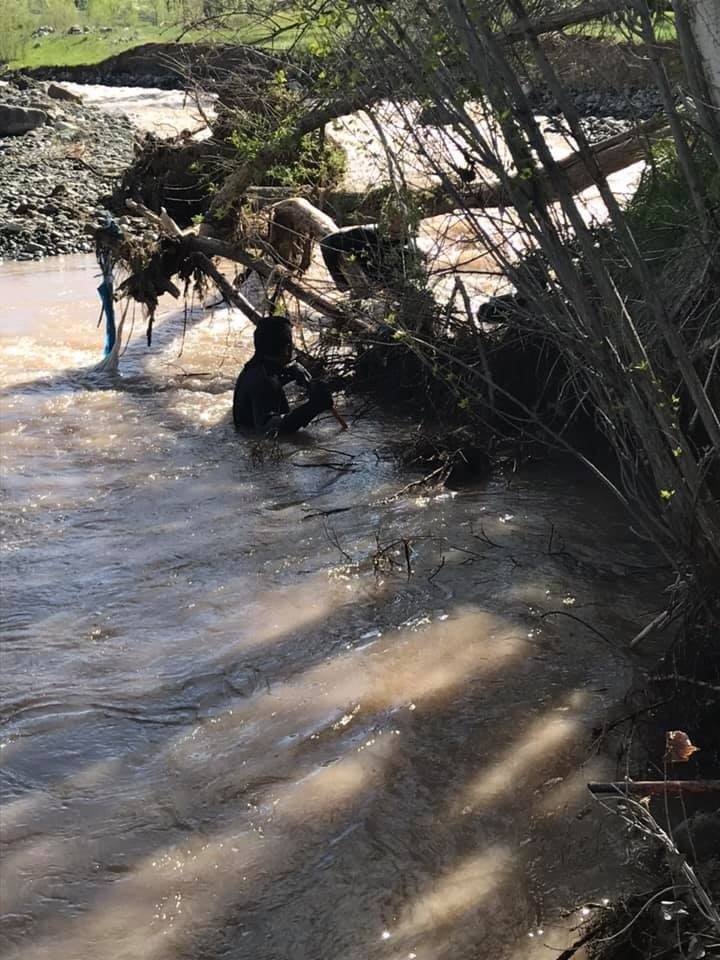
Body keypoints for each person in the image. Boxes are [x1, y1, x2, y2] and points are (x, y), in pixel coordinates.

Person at [233, 316, 334, 434]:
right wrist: (313, 407)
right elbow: (270, 431)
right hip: (256, 443)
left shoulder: (253, 368)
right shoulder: (265, 380)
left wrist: (290, 372)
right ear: (287, 348)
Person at [319, 207, 425, 294]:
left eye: (402, 224)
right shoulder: (364, 235)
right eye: (391, 221)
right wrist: (341, 282)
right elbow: (326, 243)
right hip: (365, 286)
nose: (394, 226)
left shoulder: (411, 250)